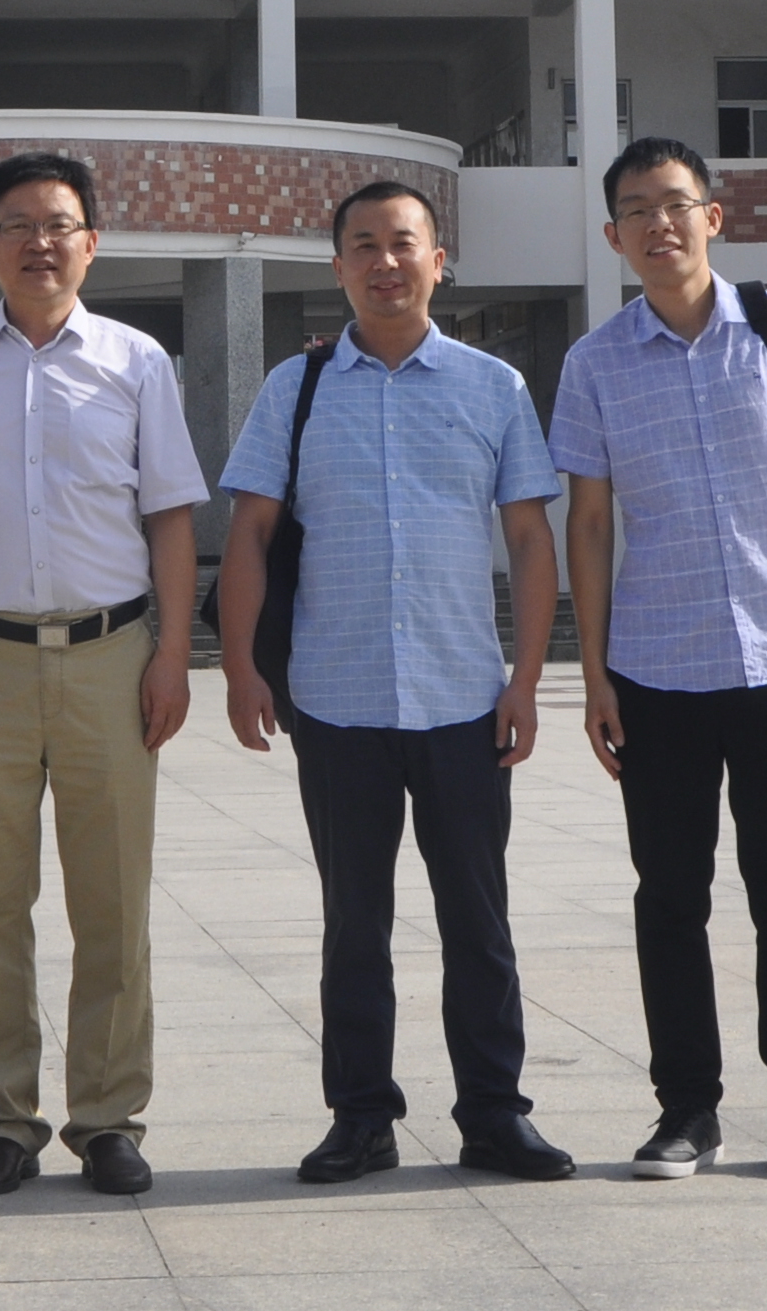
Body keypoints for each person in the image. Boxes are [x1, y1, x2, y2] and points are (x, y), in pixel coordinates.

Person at [215, 180, 573, 1187]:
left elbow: (528, 539)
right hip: (336, 699)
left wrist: (526, 679)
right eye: (363, 245)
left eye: (403, 243)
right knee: (353, 923)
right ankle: (361, 1117)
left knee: (478, 921)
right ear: (337, 266)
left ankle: (495, 1115)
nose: (384, 261)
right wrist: (240, 668)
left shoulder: (494, 386)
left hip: (465, 698)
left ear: (437, 261)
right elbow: (249, 533)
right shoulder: (294, 389)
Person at [0, 150, 207, 1198]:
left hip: (112, 656)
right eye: (17, 225)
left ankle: (108, 1117)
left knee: (113, 902)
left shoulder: (135, 360)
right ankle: (2, 1122)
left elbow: (169, 517)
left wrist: (172, 653)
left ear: (91, 242)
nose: (39, 242)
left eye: (59, 223)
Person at [554, 136, 767, 1187]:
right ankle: (686, 1109)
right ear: (614, 237)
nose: (660, 224)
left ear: (712, 217)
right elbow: (588, 523)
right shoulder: (594, 362)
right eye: (637, 210)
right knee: (669, 895)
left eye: (676, 203)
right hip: (657, 666)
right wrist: (595, 673)